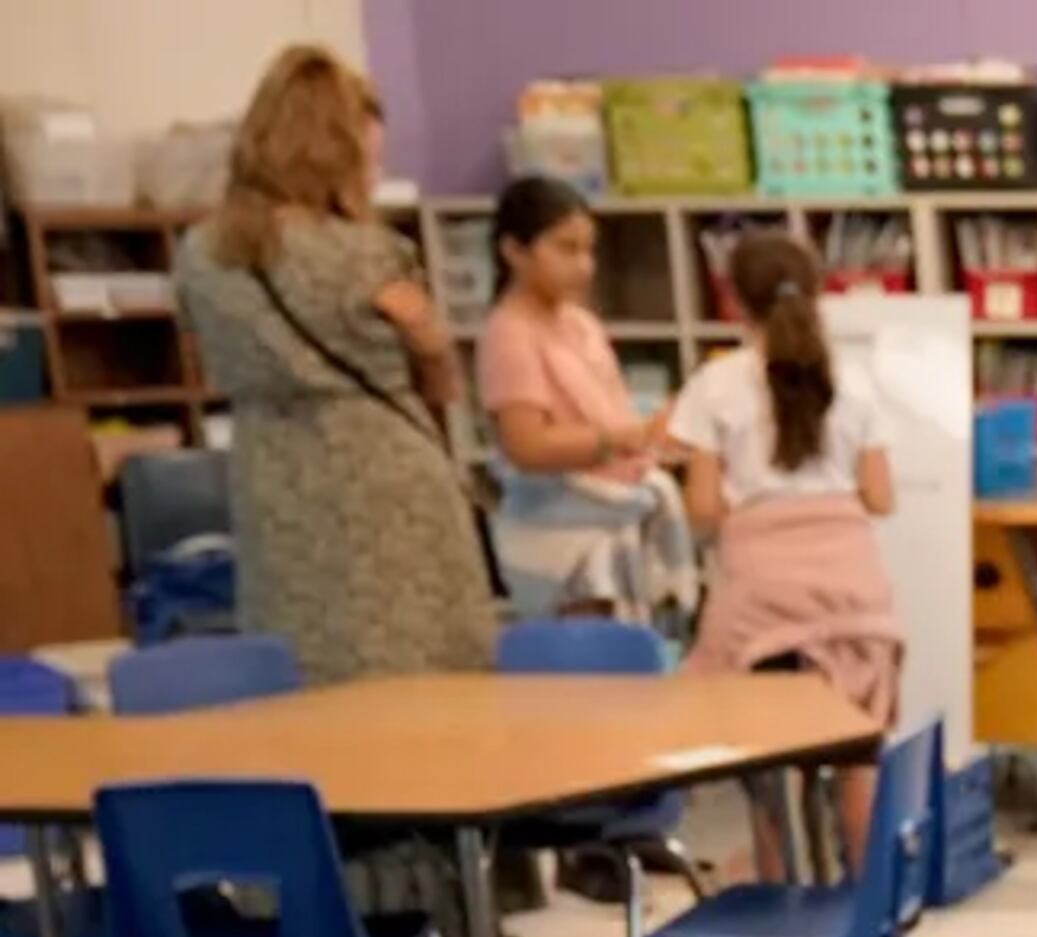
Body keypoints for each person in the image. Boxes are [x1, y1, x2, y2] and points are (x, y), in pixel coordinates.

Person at [170, 45, 493, 684]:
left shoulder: (201, 253)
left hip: (271, 476)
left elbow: (202, 348)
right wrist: (433, 343)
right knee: (416, 667)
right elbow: (438, 381)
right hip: (384, 477)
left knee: (299, 675)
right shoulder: (367, 255)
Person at [674, 230, 905, 845]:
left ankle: (782, 902)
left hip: (761, 602)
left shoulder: (714, 386)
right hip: (852, 592)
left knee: (771, 767)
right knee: (859, 758)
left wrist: (750, 501)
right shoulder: (853, 382)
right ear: (817, 294)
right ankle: (868, 903)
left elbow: (700, 508)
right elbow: (881, 497)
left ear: (732, 302)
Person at [476, 175, 697, 628]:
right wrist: (626, 438)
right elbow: (527, 446)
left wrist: (653, 441)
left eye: (588, 250)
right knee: (588, 679)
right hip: (562, 531)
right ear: (515, 251)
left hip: (618, 505)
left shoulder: (581, 324)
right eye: (565, 249)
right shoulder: (508, 333)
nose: (584, 265)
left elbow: (613, 412)